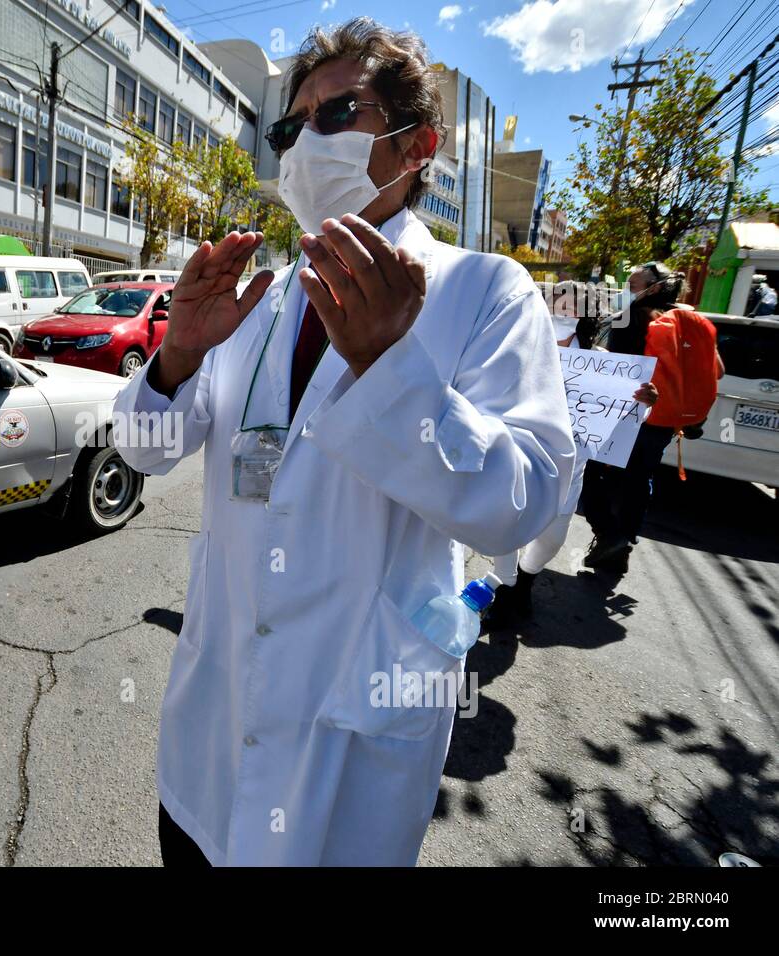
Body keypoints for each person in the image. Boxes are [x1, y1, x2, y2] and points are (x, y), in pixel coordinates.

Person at [112, 18, 574, 866]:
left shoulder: (483, 291)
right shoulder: (257, 301)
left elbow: (529, 505)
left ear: (416, 145)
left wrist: (391, 369)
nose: (303, 143)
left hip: (352, 743)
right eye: (291, 126)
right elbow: (142, 450)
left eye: (338, 114)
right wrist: (176, 356)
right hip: (213, 730)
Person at [487, 281, 655, 625]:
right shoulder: (521, 348)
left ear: (585, 316)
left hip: (568, 470)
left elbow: (627, 415)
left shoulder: (603, 363)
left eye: (572, 307)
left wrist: (645, 402)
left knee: (552, 539)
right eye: (557, 305)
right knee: (506, 528)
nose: (563, 312)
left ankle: (525, 578)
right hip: (516, 461)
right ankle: (505, 592)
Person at [580, 262, 720, 573]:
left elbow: (618, 373)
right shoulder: (692, 320)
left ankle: (610, 534)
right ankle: (623, 541)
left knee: (590, 474)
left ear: (653, 287)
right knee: (639, 478)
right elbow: (718, 370)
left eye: (632, 285)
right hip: (666, 420)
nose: (627, 291)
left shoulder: (631, 319)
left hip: (628, 415)